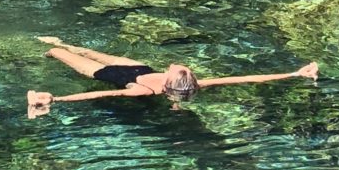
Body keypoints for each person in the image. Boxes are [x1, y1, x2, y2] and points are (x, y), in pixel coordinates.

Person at [27, 37, 318, 117]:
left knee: (55, 52)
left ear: (170, 82)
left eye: (180, 69)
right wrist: (294, 72)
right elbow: (247, 78)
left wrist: (56, 98)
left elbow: (101, 93)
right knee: (86, 49)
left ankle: (51, 50)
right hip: (137, 67)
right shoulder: (194, 83)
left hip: (107, 74)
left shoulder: (144, 93)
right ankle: (65, 43)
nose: (182, 65)